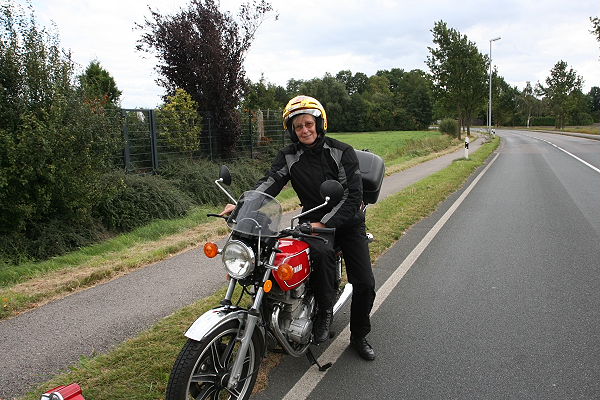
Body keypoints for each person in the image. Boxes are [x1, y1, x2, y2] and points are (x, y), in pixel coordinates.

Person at [220, 95, 376, 361]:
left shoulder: (342, 151)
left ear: (319, 124)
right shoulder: (289, 155)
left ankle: (356, 333)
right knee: (307, 255)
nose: (304, 130)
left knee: (364, 283)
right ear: (292, 130)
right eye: (298, 126)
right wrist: (242, 205)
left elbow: (353, 195)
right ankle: (305, 311)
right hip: (311, 218)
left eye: (308, 124)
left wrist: (323, 223)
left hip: (347, 222)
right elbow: (270, 182)